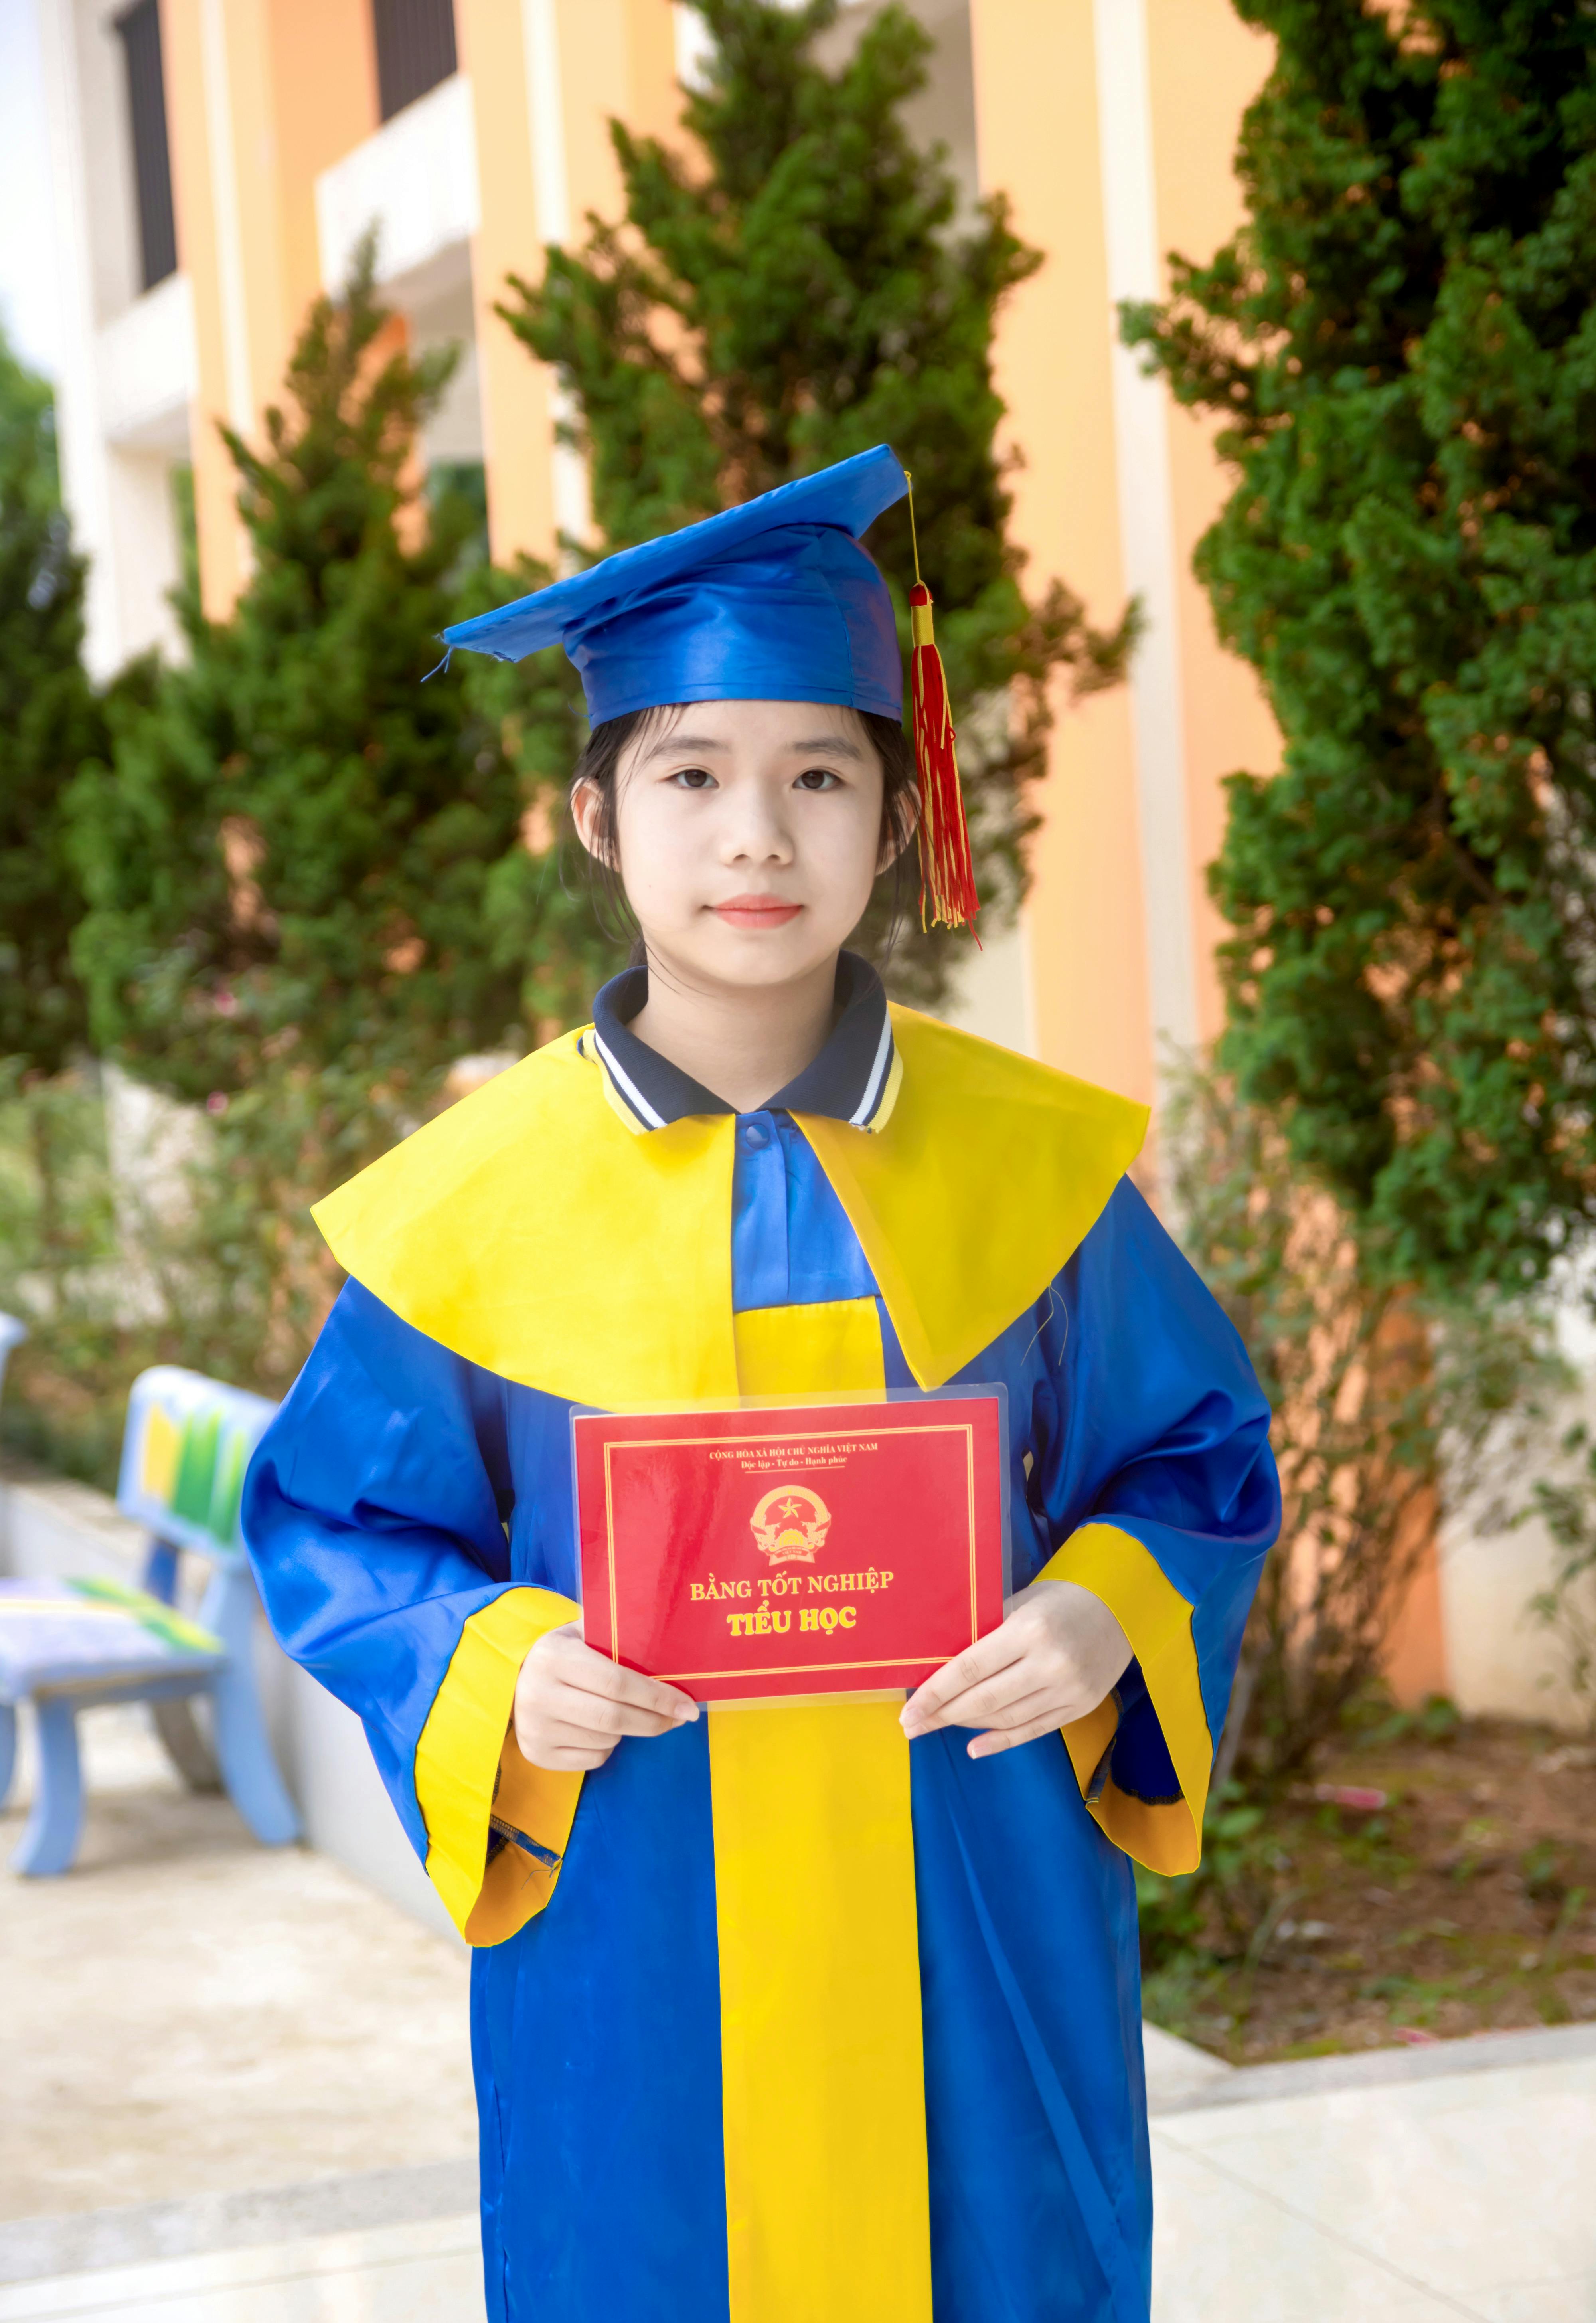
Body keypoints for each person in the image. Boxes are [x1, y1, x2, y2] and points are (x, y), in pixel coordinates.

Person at [242, 444, 1280, 2323]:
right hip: (636, 1904)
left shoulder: (1031, 1172)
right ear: (593, 814)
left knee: (1003, 2262)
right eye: (692, 776)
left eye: (819, 776)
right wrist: (487, 1667)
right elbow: (340, 1519)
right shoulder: (476, 1205)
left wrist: (1104, 1607)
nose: (755, 838)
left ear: (897, 816)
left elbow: (1190, 1458)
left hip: (974, 1890)